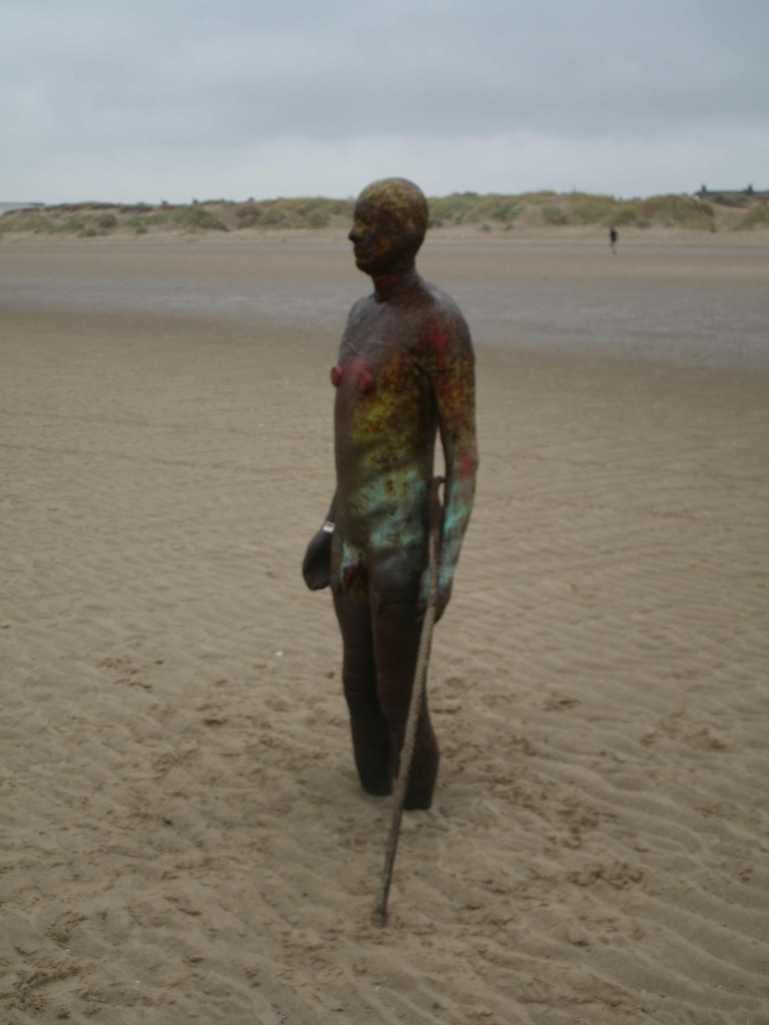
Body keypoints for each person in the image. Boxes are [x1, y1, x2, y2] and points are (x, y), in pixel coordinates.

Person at [302, 178, 478, 810]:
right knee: (357, 681)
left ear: (405, 235)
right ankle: (373, 786)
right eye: (355, 221)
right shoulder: (360, 315)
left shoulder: (437, 323)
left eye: (369, 225)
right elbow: (359, 443)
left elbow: (463, 456)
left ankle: (415, 801)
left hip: (402, 538)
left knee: (398, 688)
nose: (353, 235)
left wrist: (445, 567)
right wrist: (329, 526)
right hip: (352, 532)